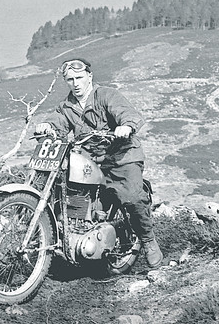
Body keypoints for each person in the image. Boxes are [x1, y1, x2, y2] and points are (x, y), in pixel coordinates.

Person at [35, 58, 164, 268]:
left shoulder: (106, 95)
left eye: (79, 78)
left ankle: (148, 240)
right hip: (92, 160)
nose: (75, 83)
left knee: (131, 196)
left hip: (121, 156)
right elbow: (57, 121)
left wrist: (127, 126)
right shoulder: (66, 106)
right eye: (70, 79)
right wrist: (47, 127)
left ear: (89, 77)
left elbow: (127, 113)